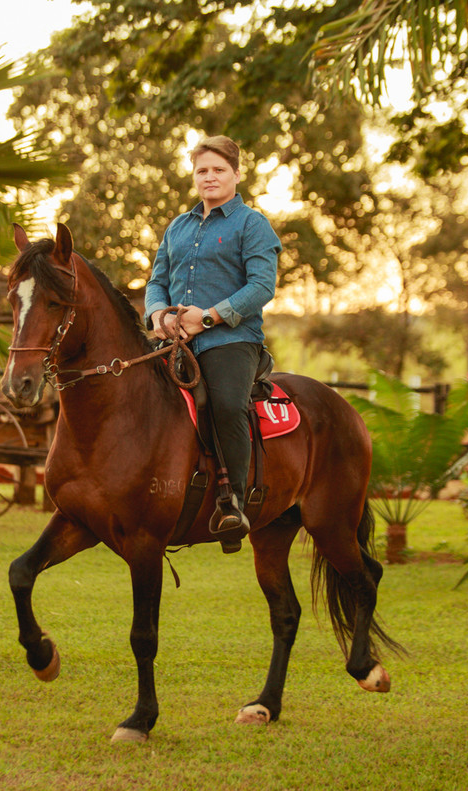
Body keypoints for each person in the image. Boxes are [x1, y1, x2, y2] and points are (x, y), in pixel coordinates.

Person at [144, 135, 282, 553]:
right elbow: (157, 281)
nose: (210, 177)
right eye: (202, 170)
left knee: (225, 405)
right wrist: (159, 315)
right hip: (175, 341)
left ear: (236, 174)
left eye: (219, 169)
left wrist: (207, 317)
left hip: (232, 340)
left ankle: (232, 503)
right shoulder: (177, 227)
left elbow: (262, 286)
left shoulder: (252, 224)